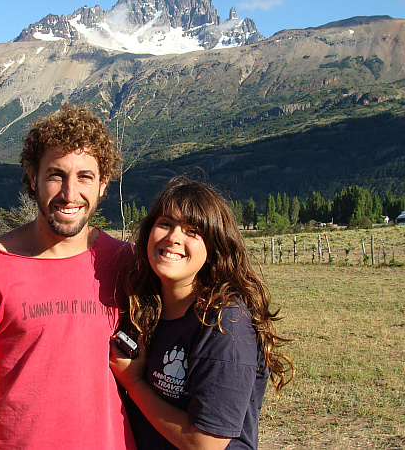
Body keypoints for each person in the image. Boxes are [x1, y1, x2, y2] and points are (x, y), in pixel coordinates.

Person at [0, 104, 136, 450]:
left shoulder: (126, 263)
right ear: (32, 177)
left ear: (103, 184)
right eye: (56, 175)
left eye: (85, 177)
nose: (70, 194)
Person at [109, 176, 294, 450]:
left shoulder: (224, 324)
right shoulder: (145, 309)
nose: (173, 238)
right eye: (165, 224)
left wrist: (134, 382)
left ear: (213, 249)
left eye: (192, 231)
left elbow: (205, 444)